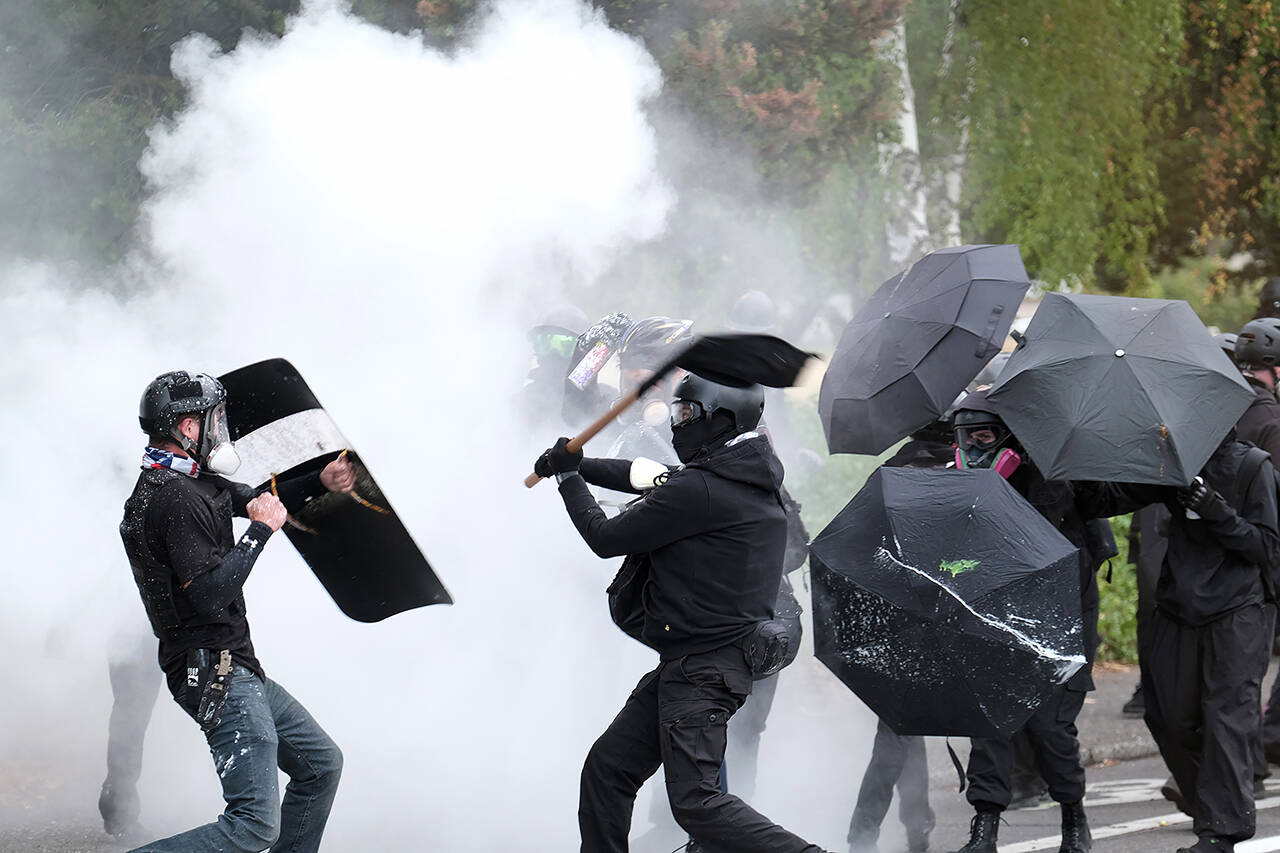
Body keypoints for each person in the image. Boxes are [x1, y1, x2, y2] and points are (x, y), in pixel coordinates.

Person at [534, 372, 828, 853]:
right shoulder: (743, 477)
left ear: (722, 419)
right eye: (675, 412)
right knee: (609, 769)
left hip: (703, 669)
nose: (677, 424)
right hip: (699, 663)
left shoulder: (704, 490)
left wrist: (567, 477)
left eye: (687, 413)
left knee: (696, 803)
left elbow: (605, 539)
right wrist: (581, 463)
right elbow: (644, 476)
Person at [120, 370, 349, 853]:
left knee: (320, 765)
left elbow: (252, 499)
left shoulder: (192, 481)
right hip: (213, 673)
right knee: (252, 826)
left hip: (235, 664)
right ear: (187, 427)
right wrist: (259, 533)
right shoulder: (171, 498)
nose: (220, 429)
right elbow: (208, 595)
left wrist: (319, 481)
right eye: (213, 419)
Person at [1075, 427, 1280, 853]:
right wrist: (1085, 463)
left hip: (1240, 609)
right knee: (1167, 716)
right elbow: (1107, 499)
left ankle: (1220, 832)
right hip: (1177, 606)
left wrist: (1215, 510)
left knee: (1227, 719)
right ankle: (1208, 806)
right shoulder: (1170, 464)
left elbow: (1266, 547)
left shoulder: (1251, 465)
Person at [947, 391, 1102, 853]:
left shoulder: (1053, 478)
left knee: (1051, 728)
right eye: (966, 436)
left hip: (1057, 615)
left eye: (985, 436)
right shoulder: (957, 483)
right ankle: (985, 825)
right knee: (990, 722)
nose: (975, 447)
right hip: (991, 613)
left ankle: (1075, 820)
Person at [846, 422, 946, 853]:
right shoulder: (952, 474)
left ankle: (913, 821)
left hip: (895, 616)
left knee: (904, 728)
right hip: (926, 620)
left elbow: (859, 542)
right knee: (899, 730)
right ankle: (864, 833)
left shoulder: (890, 471)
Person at [98, 628, 161, 841]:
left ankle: (117, 799)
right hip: (138, 631)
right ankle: (120, 807)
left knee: (132, 712)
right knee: (132, 713)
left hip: (145, 630)